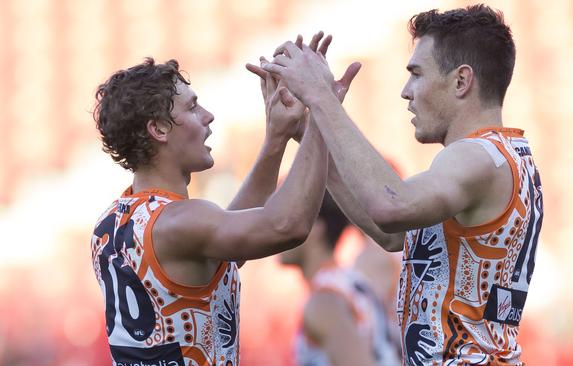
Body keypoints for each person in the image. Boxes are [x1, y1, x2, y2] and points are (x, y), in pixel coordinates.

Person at [263, 4, 544, 365]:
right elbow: (393, 234)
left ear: (461, 81)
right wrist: (312, 131)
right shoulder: (500, 155)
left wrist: (321, 99)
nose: (405, 91)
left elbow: (390, 207)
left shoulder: (477, 156)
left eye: (416, 74)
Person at [89, 56, 345, 365]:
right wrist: (320, 110)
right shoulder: (180, 221)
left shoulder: (112, 221)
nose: (208, 116)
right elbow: (288, 225)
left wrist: (276, 139)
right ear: (158, 128)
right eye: (193, 107)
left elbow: (225, 240)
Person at [279, 192, 401, 366]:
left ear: (316, 228)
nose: (275, 226)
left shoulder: (325, 301)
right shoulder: (351, 281)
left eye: (285, 218)